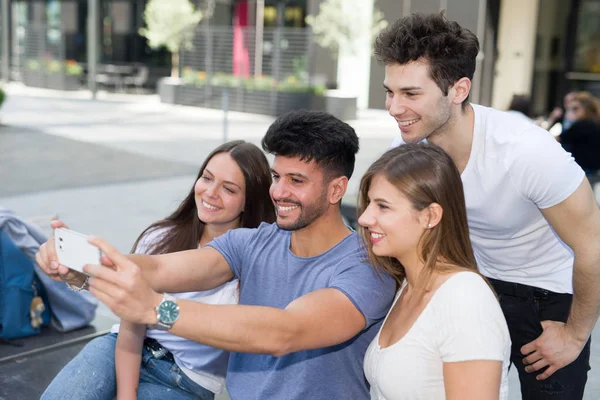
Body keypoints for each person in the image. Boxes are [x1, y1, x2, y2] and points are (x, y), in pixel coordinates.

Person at [36, 110, 397, 400]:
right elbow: (159, 267)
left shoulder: (366, 267)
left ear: (336, 189)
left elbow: (284, 332)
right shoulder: (250, 243)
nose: (279, 192)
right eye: (276, 176)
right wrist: (81, 263)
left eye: (297, 181)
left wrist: (154, 307)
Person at [376, 12, 600, 399]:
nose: (394, 108)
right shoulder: (408, 151)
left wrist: (575, 334)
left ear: (459, 89)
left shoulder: (526, 152)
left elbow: (593, 245)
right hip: (473, 283)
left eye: (411, 94)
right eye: (390, 92)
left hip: (547, 294)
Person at [40, 140, 276, 400]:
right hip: (122, 350)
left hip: (188, 381)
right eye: (207, 178)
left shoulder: (256, 263)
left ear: (248, 201)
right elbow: (132, 321)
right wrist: (126, 395)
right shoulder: (160, 236)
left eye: (228, 189)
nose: (210, 192)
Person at [359, 143, 511, 399]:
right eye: (370, 203)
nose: (364, 218)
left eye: (383, 206)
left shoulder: (465, 299)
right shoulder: (409, 286)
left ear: (430, 215)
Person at [559, 91, 600, 174]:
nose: (572, 111)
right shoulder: (594, 121)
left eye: (575, 108)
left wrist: (569, 122)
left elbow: (562, 139)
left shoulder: (583, 124)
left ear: (585, 108)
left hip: (584, 169)